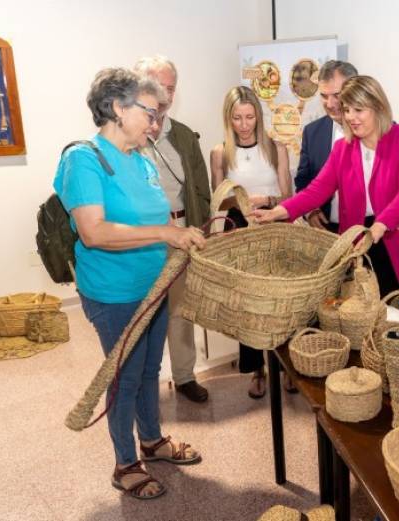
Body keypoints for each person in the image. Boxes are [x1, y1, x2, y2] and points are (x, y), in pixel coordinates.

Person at [54, 68, 206, 499]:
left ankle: (153, 440)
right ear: (118, 107)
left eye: (159, 115)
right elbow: (94, 232)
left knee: (148, 370)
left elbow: (155, 217)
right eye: (149, 113)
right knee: (124, 376)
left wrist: (180, 234)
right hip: (114, 293)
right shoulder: (84, 159)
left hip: (153, 285)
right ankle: (125, 463)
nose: (155, 124)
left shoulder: (141, 158)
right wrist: (165, 234)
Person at [252, 75, 399, 297]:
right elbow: (316, 190)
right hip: (365, 244)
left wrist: (381, 224)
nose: (351, 117)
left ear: (377, 107)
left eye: (358, 110)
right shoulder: (342, 148)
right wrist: (278, 212)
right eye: (347, 110)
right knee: (376, 320)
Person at [134, 55, 212, 403]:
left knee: (181, 310)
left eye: (170, 88)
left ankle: (183, 377)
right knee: (144, 313)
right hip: (140, 240)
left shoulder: (183, 135)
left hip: (181, 231)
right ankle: (143, 383)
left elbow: (200, 190)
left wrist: (198, 228)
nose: (164, 95)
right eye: (157, 87)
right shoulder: (128, 136)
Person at [209, 85, 291, 399]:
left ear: (258, 115)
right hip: (239, 226)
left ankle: (285, 366)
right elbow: (219, 200)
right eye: (237, 118)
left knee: (280, 300)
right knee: (249, 303)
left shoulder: (275, 147)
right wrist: (242, 201)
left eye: (249, 117)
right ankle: (257, 368)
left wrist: (267, 199)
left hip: (273, 222)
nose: (244, 125)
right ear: (228, 119)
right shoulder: (220, 152)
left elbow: (288, 196)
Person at [295, 60, 358, 233]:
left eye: (337, 95)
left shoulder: (379, 132)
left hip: (371, 232)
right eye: (323, 95)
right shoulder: (311, 133)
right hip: (326, 232)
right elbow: (303, 181)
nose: (330, 104)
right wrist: (309, 210)